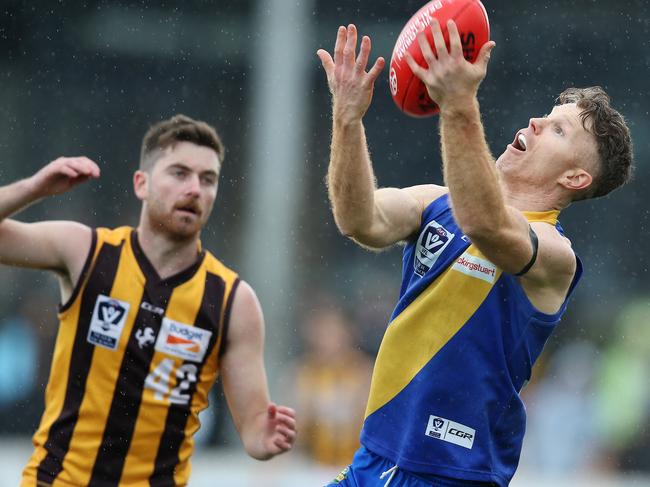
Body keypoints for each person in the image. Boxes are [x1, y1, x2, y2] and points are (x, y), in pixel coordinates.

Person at [317, 20, 632, 487]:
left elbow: (486, 224)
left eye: (558, 131)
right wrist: (347, 119)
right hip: (374, 460)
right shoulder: (435, 202)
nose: (535, 123)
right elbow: (358, 220)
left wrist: (459, 105)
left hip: (453, 475)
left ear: (574, 179)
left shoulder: (553, 254)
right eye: (545, 115)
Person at [0, 114, 296, 486]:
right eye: (179, 173)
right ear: (141, 184)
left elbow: (254, 430)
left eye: (208, 180)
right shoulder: (87, 253)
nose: (194, 189)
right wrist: (34, 188)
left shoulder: (232, 301)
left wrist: (265, 439)